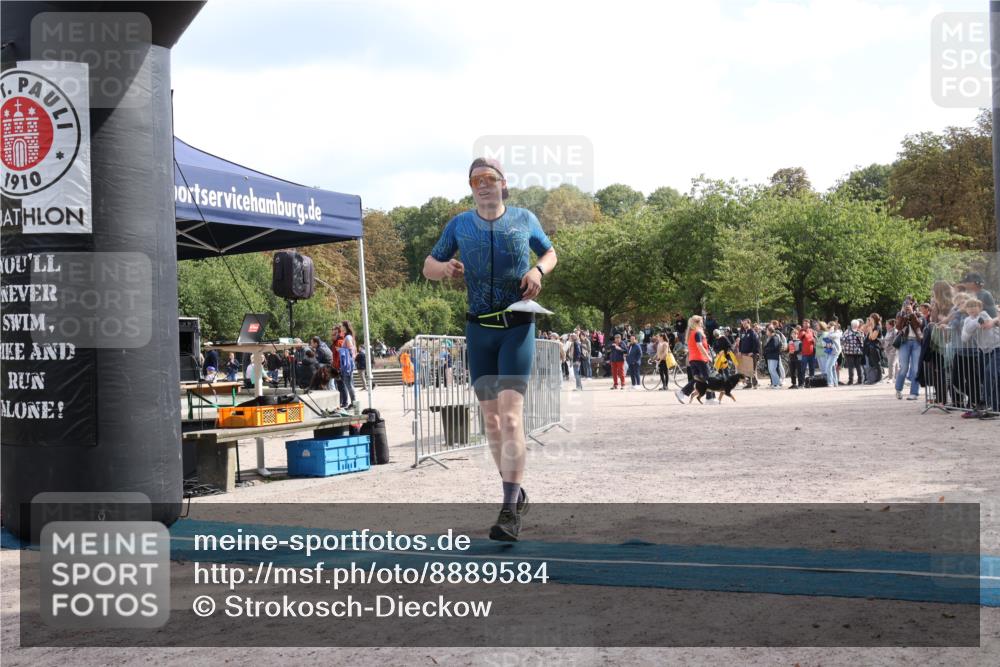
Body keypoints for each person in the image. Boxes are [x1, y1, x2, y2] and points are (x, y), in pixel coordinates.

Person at [423, 156, 556, 542]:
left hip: (516, 326)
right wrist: (444, 269)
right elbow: (428, 264)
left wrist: (538, 271)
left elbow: (550, 252)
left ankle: (509, 510)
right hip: (478, 330)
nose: (482, 184)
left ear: (503, 183)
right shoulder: (460, 224)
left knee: (511, 417)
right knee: (492, 422)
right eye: (475, 180)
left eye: (489, 178)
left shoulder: (524, 219)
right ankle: (515, 492)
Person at [675, 315, 716, 404]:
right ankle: (710, 398)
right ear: (697, 323)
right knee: (708, 378)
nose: (702, 324)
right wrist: (707, 356)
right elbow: (699, 345)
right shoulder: (697, 333)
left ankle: (682, 392)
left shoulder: (690, 333)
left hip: (693, 359)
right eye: (701, 322)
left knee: (698, 380)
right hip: (700, 358)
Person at [336, 320, 358, 410]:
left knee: (349, 384)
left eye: (341, 326)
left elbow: (351, 351)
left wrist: (340, 350)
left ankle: (354, 403)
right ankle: (353, 403)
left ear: (345, 327)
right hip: (348, 364)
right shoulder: (349, 337)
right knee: (349, 384)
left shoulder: (348, 337)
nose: (340, 328)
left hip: (347, 365)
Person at [841, 320, 865, 385]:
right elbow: (863, 341)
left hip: (849, 352)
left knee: (850, 367)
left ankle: (850, 381)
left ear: (851, 325)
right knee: (858, 366)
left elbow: (842, 340)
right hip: (858, 352)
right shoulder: (860, 332)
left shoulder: (847, 332)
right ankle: (860, 380)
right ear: (858, 325)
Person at [798, 319, 817, 387]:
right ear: (803, 324)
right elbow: (799, 337)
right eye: (804, 323)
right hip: (804, 354)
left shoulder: (812, 331)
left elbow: (815, 339)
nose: (806, 325)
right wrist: (804, 333)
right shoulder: (801, 331)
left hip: (812, 353)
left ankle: (812, 383)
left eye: (807, 323)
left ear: (809, 324)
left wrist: (814, 340)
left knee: (812, 369)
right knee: (803, 369)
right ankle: (802, 383)